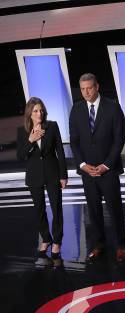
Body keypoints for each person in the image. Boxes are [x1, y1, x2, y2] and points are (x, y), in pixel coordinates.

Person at [69, 73, 125, 263]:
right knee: (93, 211)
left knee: (115, 209)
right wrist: (83, 165)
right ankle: (98, 245)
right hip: (88, 172)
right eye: (83, 89)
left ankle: (120, 245)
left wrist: (105, 165)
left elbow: (118, 140)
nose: (86, 92)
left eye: (89, 88)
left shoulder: (113, 107)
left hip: (108, 170)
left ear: (97, 86)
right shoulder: (76, 109)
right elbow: (74, 141)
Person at [16, 97, 68, 264]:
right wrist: (30, 140)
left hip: (53, 173)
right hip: (34, 176)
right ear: (29, 113)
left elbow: (60, 150)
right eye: (36, 110)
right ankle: (46, 238)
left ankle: (57, 241)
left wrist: (63, 175)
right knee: (39, 210)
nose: (39, 113)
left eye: (41, 110)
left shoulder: (52, 126)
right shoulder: (22, 131)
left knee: (56, 208)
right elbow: (20, 156)